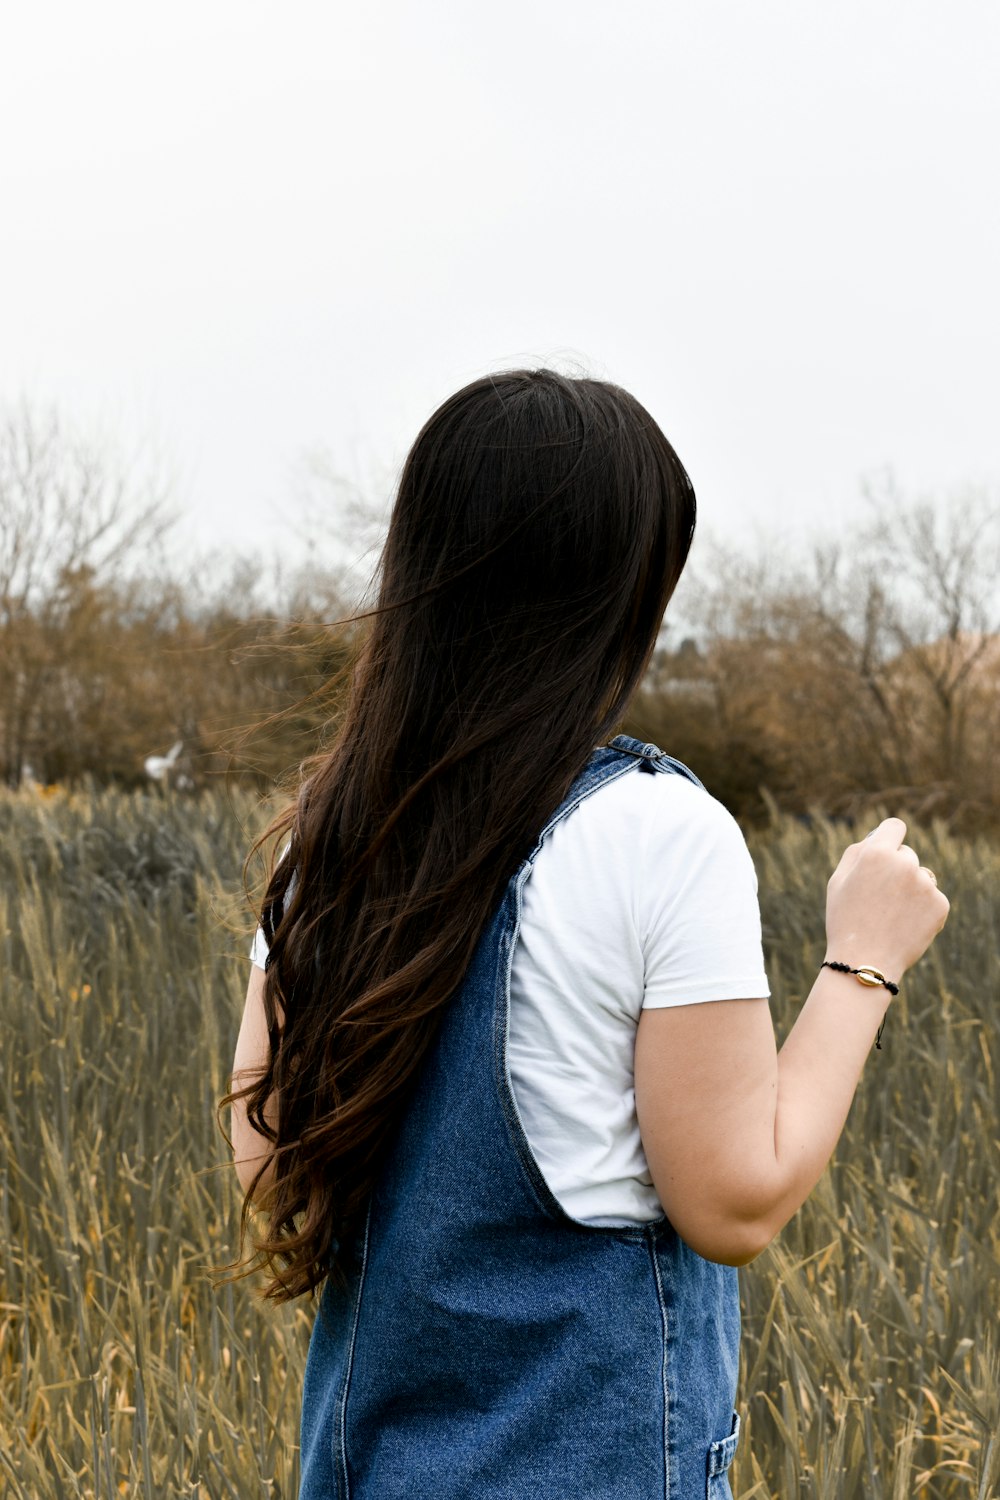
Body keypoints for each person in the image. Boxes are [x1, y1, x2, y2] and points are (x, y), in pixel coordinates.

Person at [225, 369, 949, 1500]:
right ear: (626, 587)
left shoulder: (326, 842)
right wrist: (864, 957)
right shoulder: (657, 835)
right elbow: (735, 1199)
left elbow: (277, 1181)